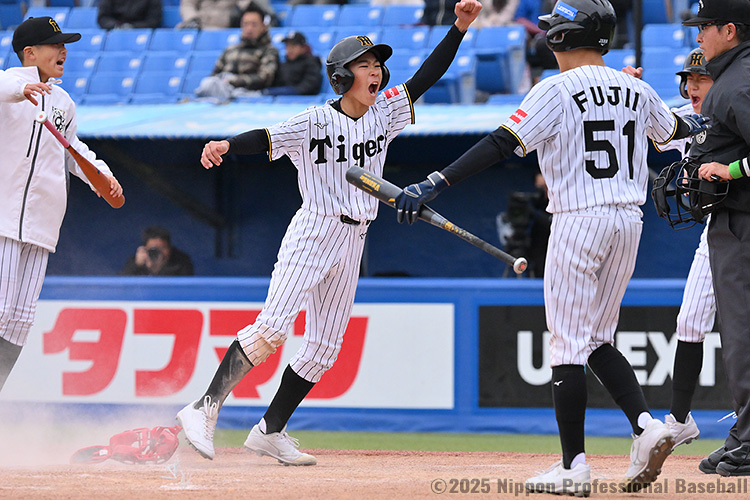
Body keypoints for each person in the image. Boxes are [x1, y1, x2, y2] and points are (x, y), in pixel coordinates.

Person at [393, 0, 710, 494]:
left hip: (578, 219)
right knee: (596, 338)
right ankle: (646, 426)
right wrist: (707, 117)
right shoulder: (636, 87)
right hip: (629, 222)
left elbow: (501, 143)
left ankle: (573, 466)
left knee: (566, 342)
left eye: (552, 29)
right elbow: (679, 130)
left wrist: (436, 180)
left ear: (564, 36)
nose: (547, 36)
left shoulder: (555, 88)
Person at [176, 0, 483, 465]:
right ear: (341, 76)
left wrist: (459, 27)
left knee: (323, 349)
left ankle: (269, 430)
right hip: (315, 229)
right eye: (364, 65)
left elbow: (425, 78)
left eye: (377, 65)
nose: (375, 72)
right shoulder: (313, 120)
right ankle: (203, 408)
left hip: (355, 238)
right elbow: (265, 138)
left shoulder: (385, 112)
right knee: (272, 329)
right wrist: (226, 144)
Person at [0, 17, 122, 392]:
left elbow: (73, 150)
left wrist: (103, 175)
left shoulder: (62, 101)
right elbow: (3, 85)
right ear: (29, 52)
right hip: (4, 221)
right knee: (0, 311)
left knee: (19, 321)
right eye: (55, 44)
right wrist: (19, 88)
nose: (63, 51)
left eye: (64, 44)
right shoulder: (9, 85)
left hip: (41, 227)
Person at [685, 0, 750, 477]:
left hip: (742, 221)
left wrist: (730, 169)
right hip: (734, 220)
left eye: (705, 26)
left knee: (743, 334)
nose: (698, 35)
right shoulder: (735, 75)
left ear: (730, 30)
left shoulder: (738, 82)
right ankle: (743, 432)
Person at [648, 48, 713, 453]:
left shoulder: (739, 113)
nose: (692, 86)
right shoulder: (687, 117)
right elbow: (649, 127)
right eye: (688, 78)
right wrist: (630, 87)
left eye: (701, 78)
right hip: (718, 230)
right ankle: (680, 419)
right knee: (689, 322)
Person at [194, 4, 278, 101]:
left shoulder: (269, 51)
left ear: (263, 27)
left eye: (254, 24)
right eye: (245, 24)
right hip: (222, 90)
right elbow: (215, 74)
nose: (249, 28)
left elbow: (264, 78)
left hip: (249, 96)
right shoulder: (230, 50)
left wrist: (235, 81)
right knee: (208, 83)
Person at [264, 31, 322, 96]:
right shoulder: (283, 64)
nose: (290, 49)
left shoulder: (311, 63)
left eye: (293, 46)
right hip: (281, 99)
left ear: (303, 48)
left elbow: (310, 85)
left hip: (303, 99)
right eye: (287, 46)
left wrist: (291, 91)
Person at [120, 226, 194, 276]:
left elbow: (185, 287)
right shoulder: (136, 261)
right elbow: (120, 286)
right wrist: (136, 265)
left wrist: (159, 269)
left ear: (170, 248)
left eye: (162, 248)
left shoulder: (181, 262)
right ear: (145, 248)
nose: (159, 252)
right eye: (153, 248)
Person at [177, 0, 274, 29]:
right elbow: (187, 5)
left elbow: (246, 4)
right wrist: (192, 19)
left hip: (224, 25)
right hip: (199, 23)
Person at [97, 0, 163, 30]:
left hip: (140, 32)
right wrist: (116, 26)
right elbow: (103, 17)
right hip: (114, 32)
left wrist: (132, 27)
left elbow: (153, 21)